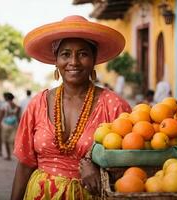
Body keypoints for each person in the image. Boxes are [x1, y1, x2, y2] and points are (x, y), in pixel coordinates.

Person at [11, 15, 131, 200]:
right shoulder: (38, 103)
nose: (73, 62)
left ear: (94, 59)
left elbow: (131, 164)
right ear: (56, 61)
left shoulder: (114, 105)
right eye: (65, 54)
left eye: (83, 54)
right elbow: (25, 164)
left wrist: (98, 168)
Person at [0, 92, 20, 160]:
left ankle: (8, 155)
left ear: (6, 98)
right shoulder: (17, 106)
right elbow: (18, 117)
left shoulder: (4, 105)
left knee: (6, 141)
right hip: (14, 125)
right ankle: (15, 153)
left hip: (5, 125)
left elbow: (1, 116)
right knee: (13, 140)